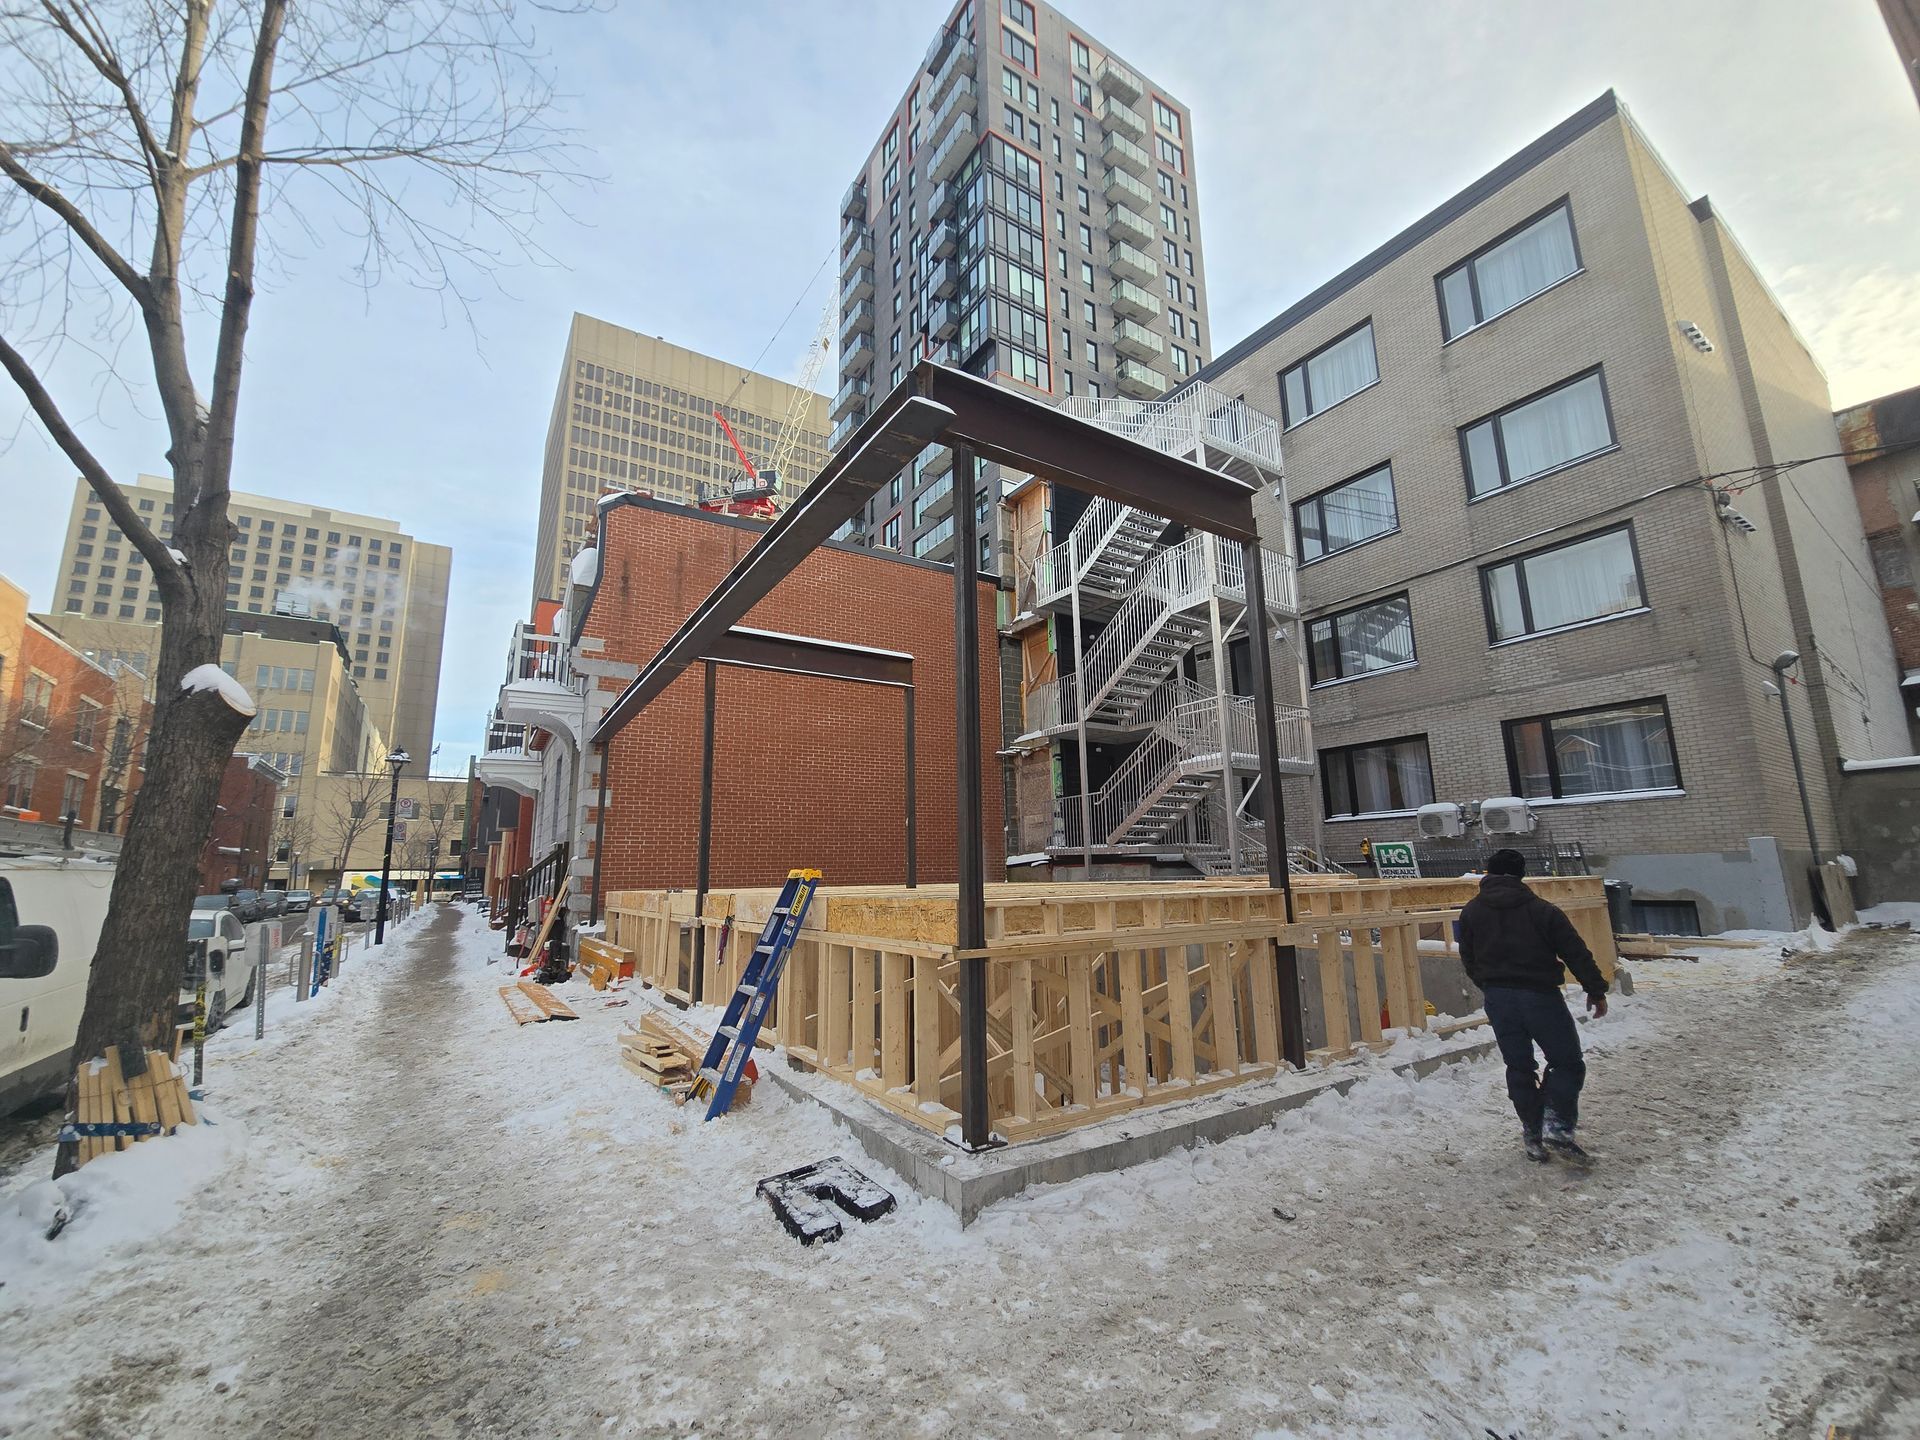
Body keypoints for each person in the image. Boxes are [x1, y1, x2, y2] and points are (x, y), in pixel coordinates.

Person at [1456, 849, 1610, 1163]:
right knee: (1567, 1062)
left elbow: (1468, 957)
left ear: (1488, 873)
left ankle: (1533, 1132)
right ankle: (1557, 1125)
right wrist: (1595, 989)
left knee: (1519, 1066)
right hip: (1540, 996)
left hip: (1499, 999)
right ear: (1521, 875)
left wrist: (1488, 985)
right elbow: (1575, 952)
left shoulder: (1472, 912)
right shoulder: (1542, 911)